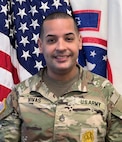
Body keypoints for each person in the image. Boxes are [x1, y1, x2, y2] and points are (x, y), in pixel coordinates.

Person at [0, 12, 122, 142]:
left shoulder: (105, 92)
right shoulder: (19, 94)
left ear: (79, 42)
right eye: (51, 40)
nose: (61, 47)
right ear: (41, 45)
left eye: (68, 39)